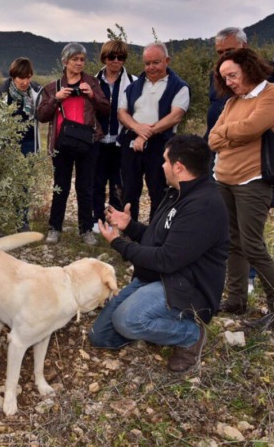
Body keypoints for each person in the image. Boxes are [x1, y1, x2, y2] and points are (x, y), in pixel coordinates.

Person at [89, 134, 229, 373]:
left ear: (178, 166)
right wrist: (129, 226)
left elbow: (166, 259)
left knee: (127, 320)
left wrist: (118, 243)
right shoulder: (177, 192)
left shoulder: (204, 204)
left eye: (165, 161)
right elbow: (158, 239)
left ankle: (190, 335)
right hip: (157, 277)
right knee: (99, 336)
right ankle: (152, 325)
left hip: (186, 286)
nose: (161, 165)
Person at [208, 48, 274, 328]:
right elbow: (211, 139)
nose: (229, 81)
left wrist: (230, 133)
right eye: (224, 77)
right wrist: (234, 134)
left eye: (233, 74)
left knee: (253, 246)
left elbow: (251, 128)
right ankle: (236, 300)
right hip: (224, 179)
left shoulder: (273, 93)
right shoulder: (232, 102)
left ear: (249, 68)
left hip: (252, 182)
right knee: (233, 243)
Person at [36, 42, 109, 245]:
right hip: (63, 142)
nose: (79, 63)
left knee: (85, 187)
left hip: (89, 142)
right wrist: (55, 99)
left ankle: (86, 229)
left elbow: (106, 109)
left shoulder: (92, 83)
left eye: (82, 59)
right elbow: (41, 115)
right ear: (65, 61)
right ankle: (54, 228)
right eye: (74, 59)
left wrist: (93, 95)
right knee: (61, 187)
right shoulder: (53, 87)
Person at [117, 42, 190, 222]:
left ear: (167, 60)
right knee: (129, 188)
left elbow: (175, 116)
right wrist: (136, 128)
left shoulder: (179, 86)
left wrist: (146, 133)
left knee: (158, 190)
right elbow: (121, 112)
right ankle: (129, 229)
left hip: (162, 144)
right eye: (147, 63)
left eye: (155, 62)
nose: (151, 67)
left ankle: (154, 233)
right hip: (131, 141)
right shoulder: (134, 85)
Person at [0, 57, 42, 231]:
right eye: (21, 78)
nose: (25, 82)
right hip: (7, 145)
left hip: (29, 143)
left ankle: (22, 221)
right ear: (13, 76)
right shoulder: (1, 94)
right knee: (2, 183)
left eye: (28, 77)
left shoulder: (36, 91)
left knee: (23, 184)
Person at [93, 40, 137, 232]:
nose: (116, 61)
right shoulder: (94, 81)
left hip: (121, 141)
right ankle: (97, 220)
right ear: (105, 57)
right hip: (98, 140)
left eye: (121, 57)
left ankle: (115, 222)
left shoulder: (133, 82)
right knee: (97, 182)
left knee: (118, 184)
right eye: (112, 56)